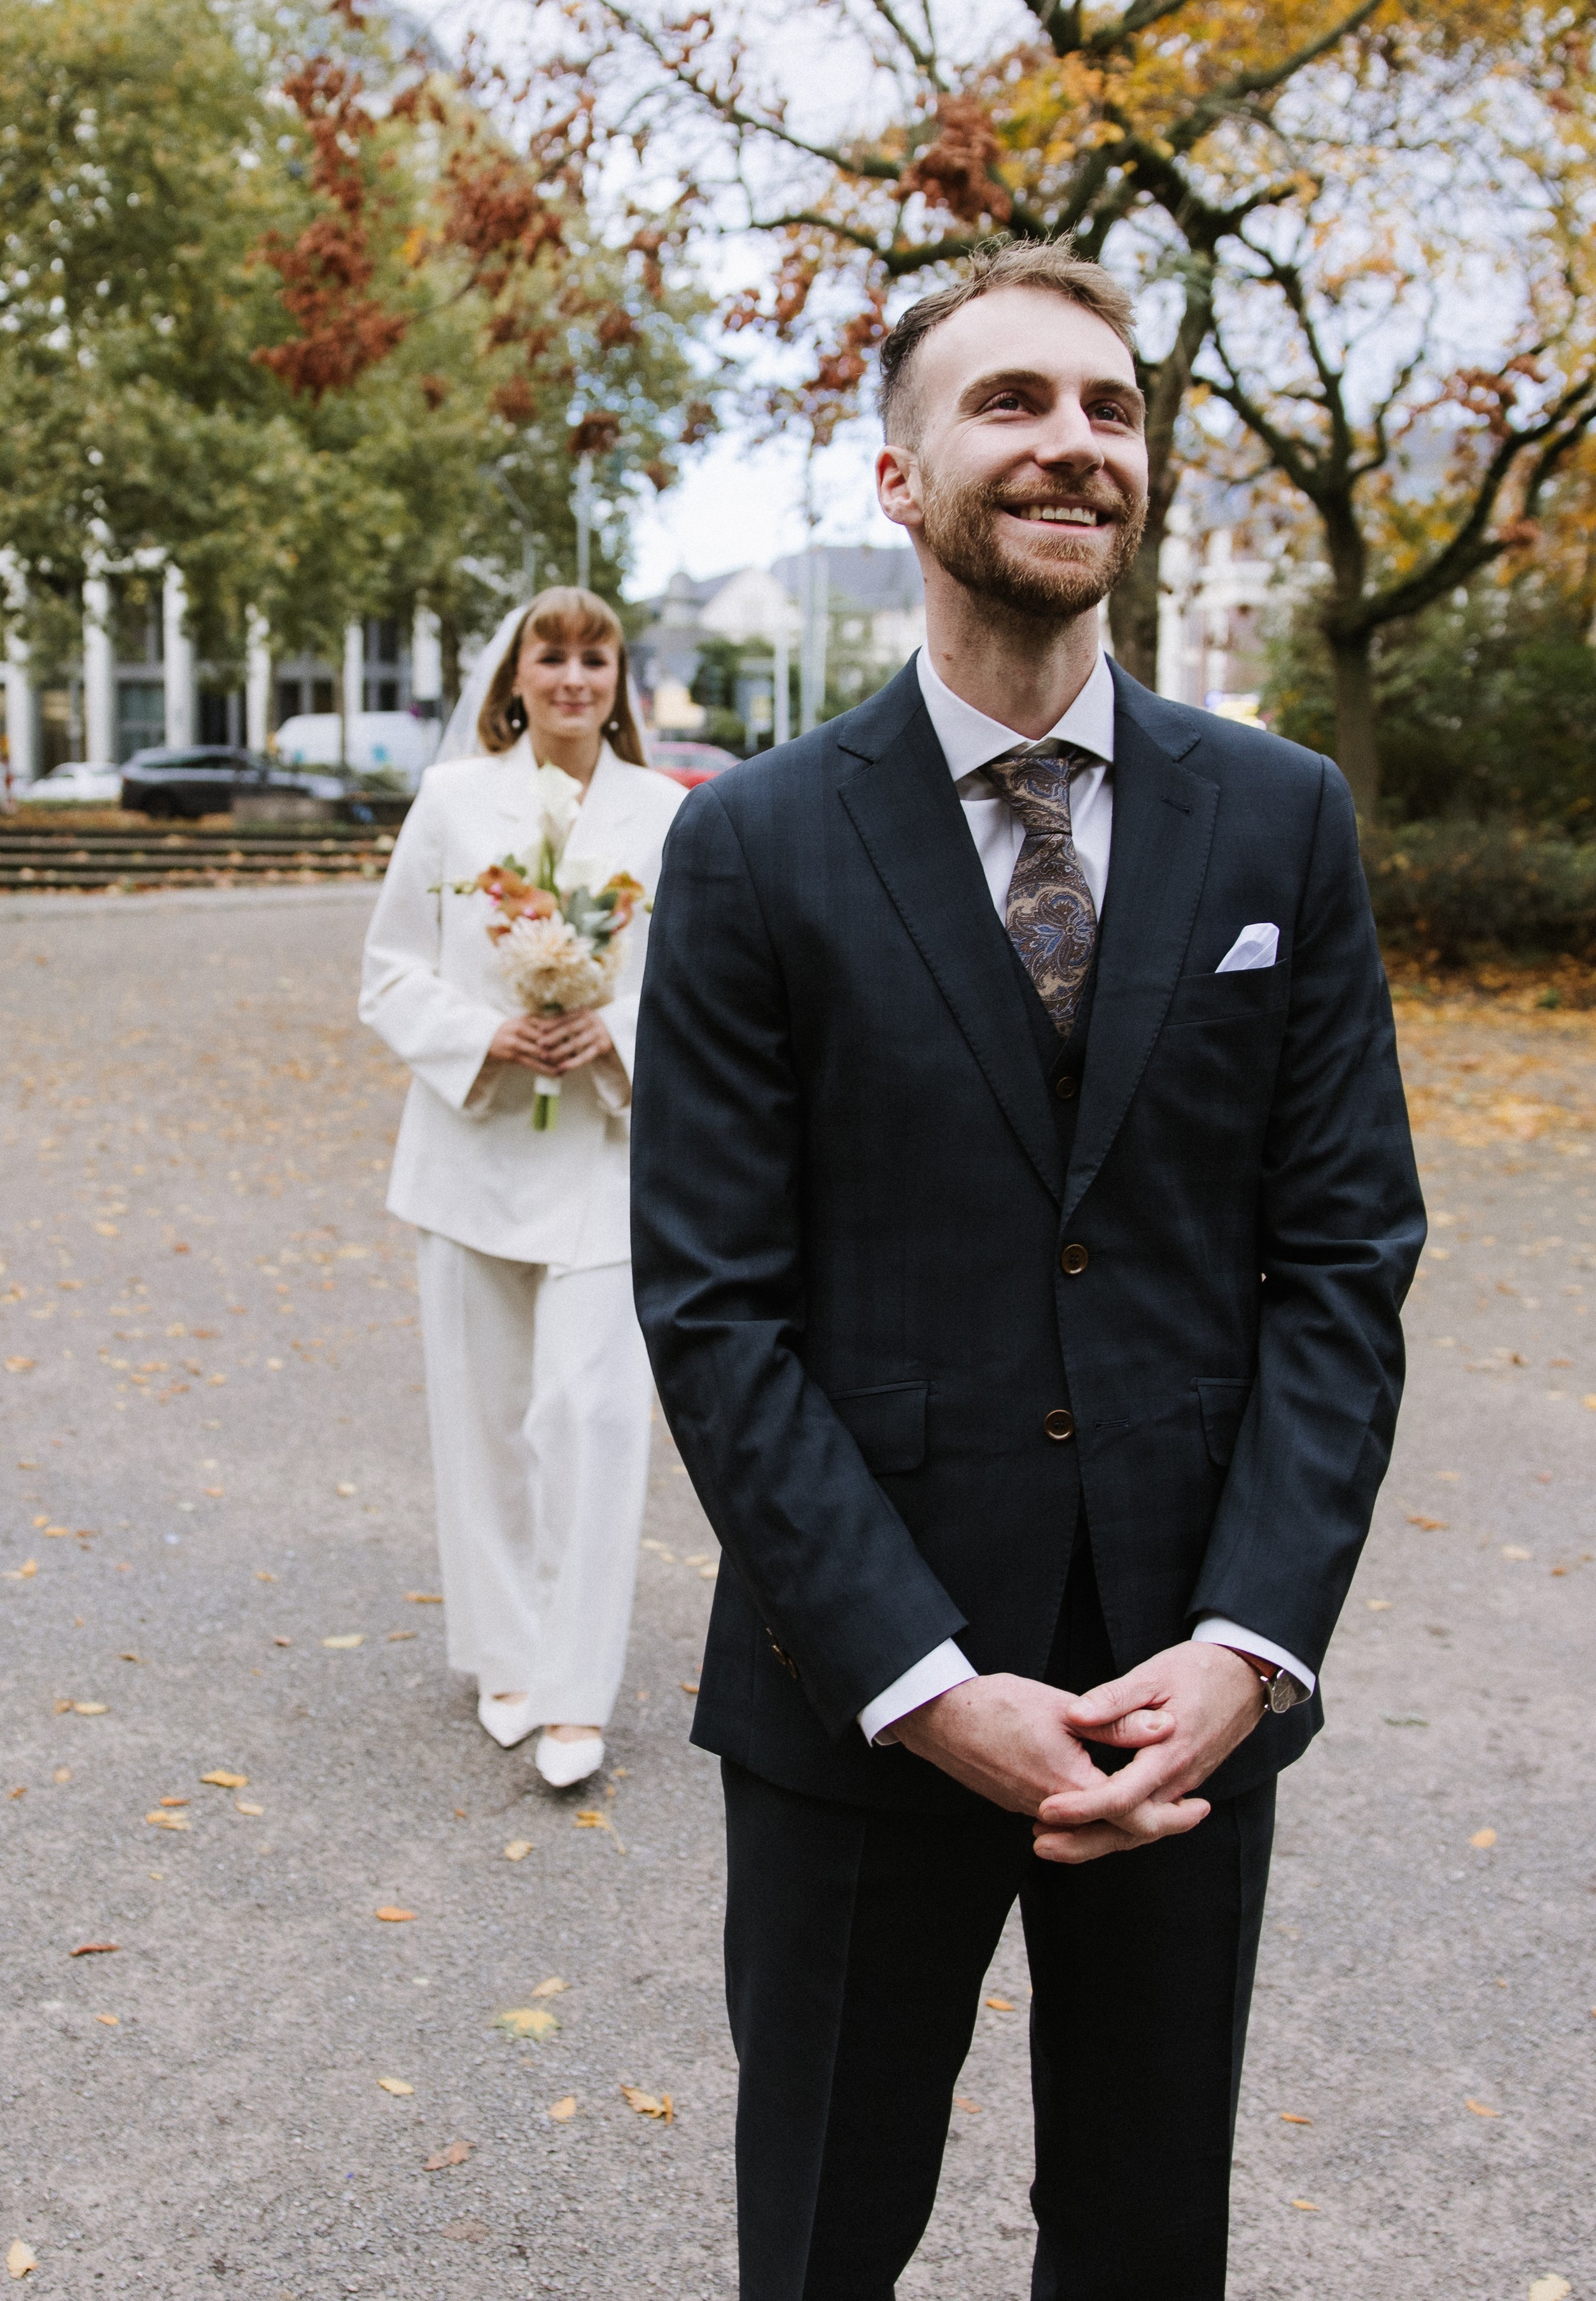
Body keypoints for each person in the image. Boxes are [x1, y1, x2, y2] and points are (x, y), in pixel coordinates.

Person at [630, 240, 1425, 2298]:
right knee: (822, 2237)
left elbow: (1343, 1256)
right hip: (856, 1692)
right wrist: (920, 1680)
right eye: (1012, 402)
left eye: (1109, 406)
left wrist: (1250, 1642)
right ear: (897, 478)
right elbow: (716, 1308)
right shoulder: (754, 847)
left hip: (1183, 1703)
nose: (1074, 443)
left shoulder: (1282, 820)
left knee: (1152, 2245)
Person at [360, 587, 685, 1789]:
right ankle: (503, 1653)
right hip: (474, 1149)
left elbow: (699, 986)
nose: (573, 677)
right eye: (551, 656)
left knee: (591, 1416)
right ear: (515, 677)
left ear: (617, 679)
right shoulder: (454, 803)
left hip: (606, 1155)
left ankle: (575, 1686)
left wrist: (616, 1038)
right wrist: (488, 1036)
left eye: (594, 657)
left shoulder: (664, 813)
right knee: (486, 1416)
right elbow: (389, 969)